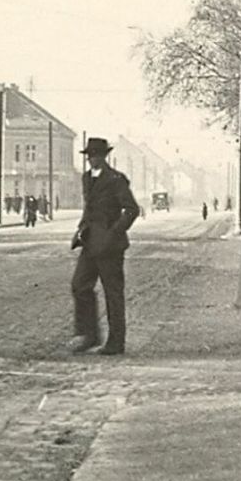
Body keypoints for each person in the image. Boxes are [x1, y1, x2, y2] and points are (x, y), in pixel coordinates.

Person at [69, 137, 140, 356]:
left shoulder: (116, 180)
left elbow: (132, 209)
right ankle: (90, 335)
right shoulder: (86, 178)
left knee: (113, 294)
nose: (93, 159)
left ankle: (116, 343)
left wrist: (114, 233)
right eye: (89, 156)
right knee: (79, 285)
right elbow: (88, 209)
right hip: (90, 243)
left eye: (97, 155)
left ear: (104, 156)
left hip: (110, 247)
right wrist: (81, 230)